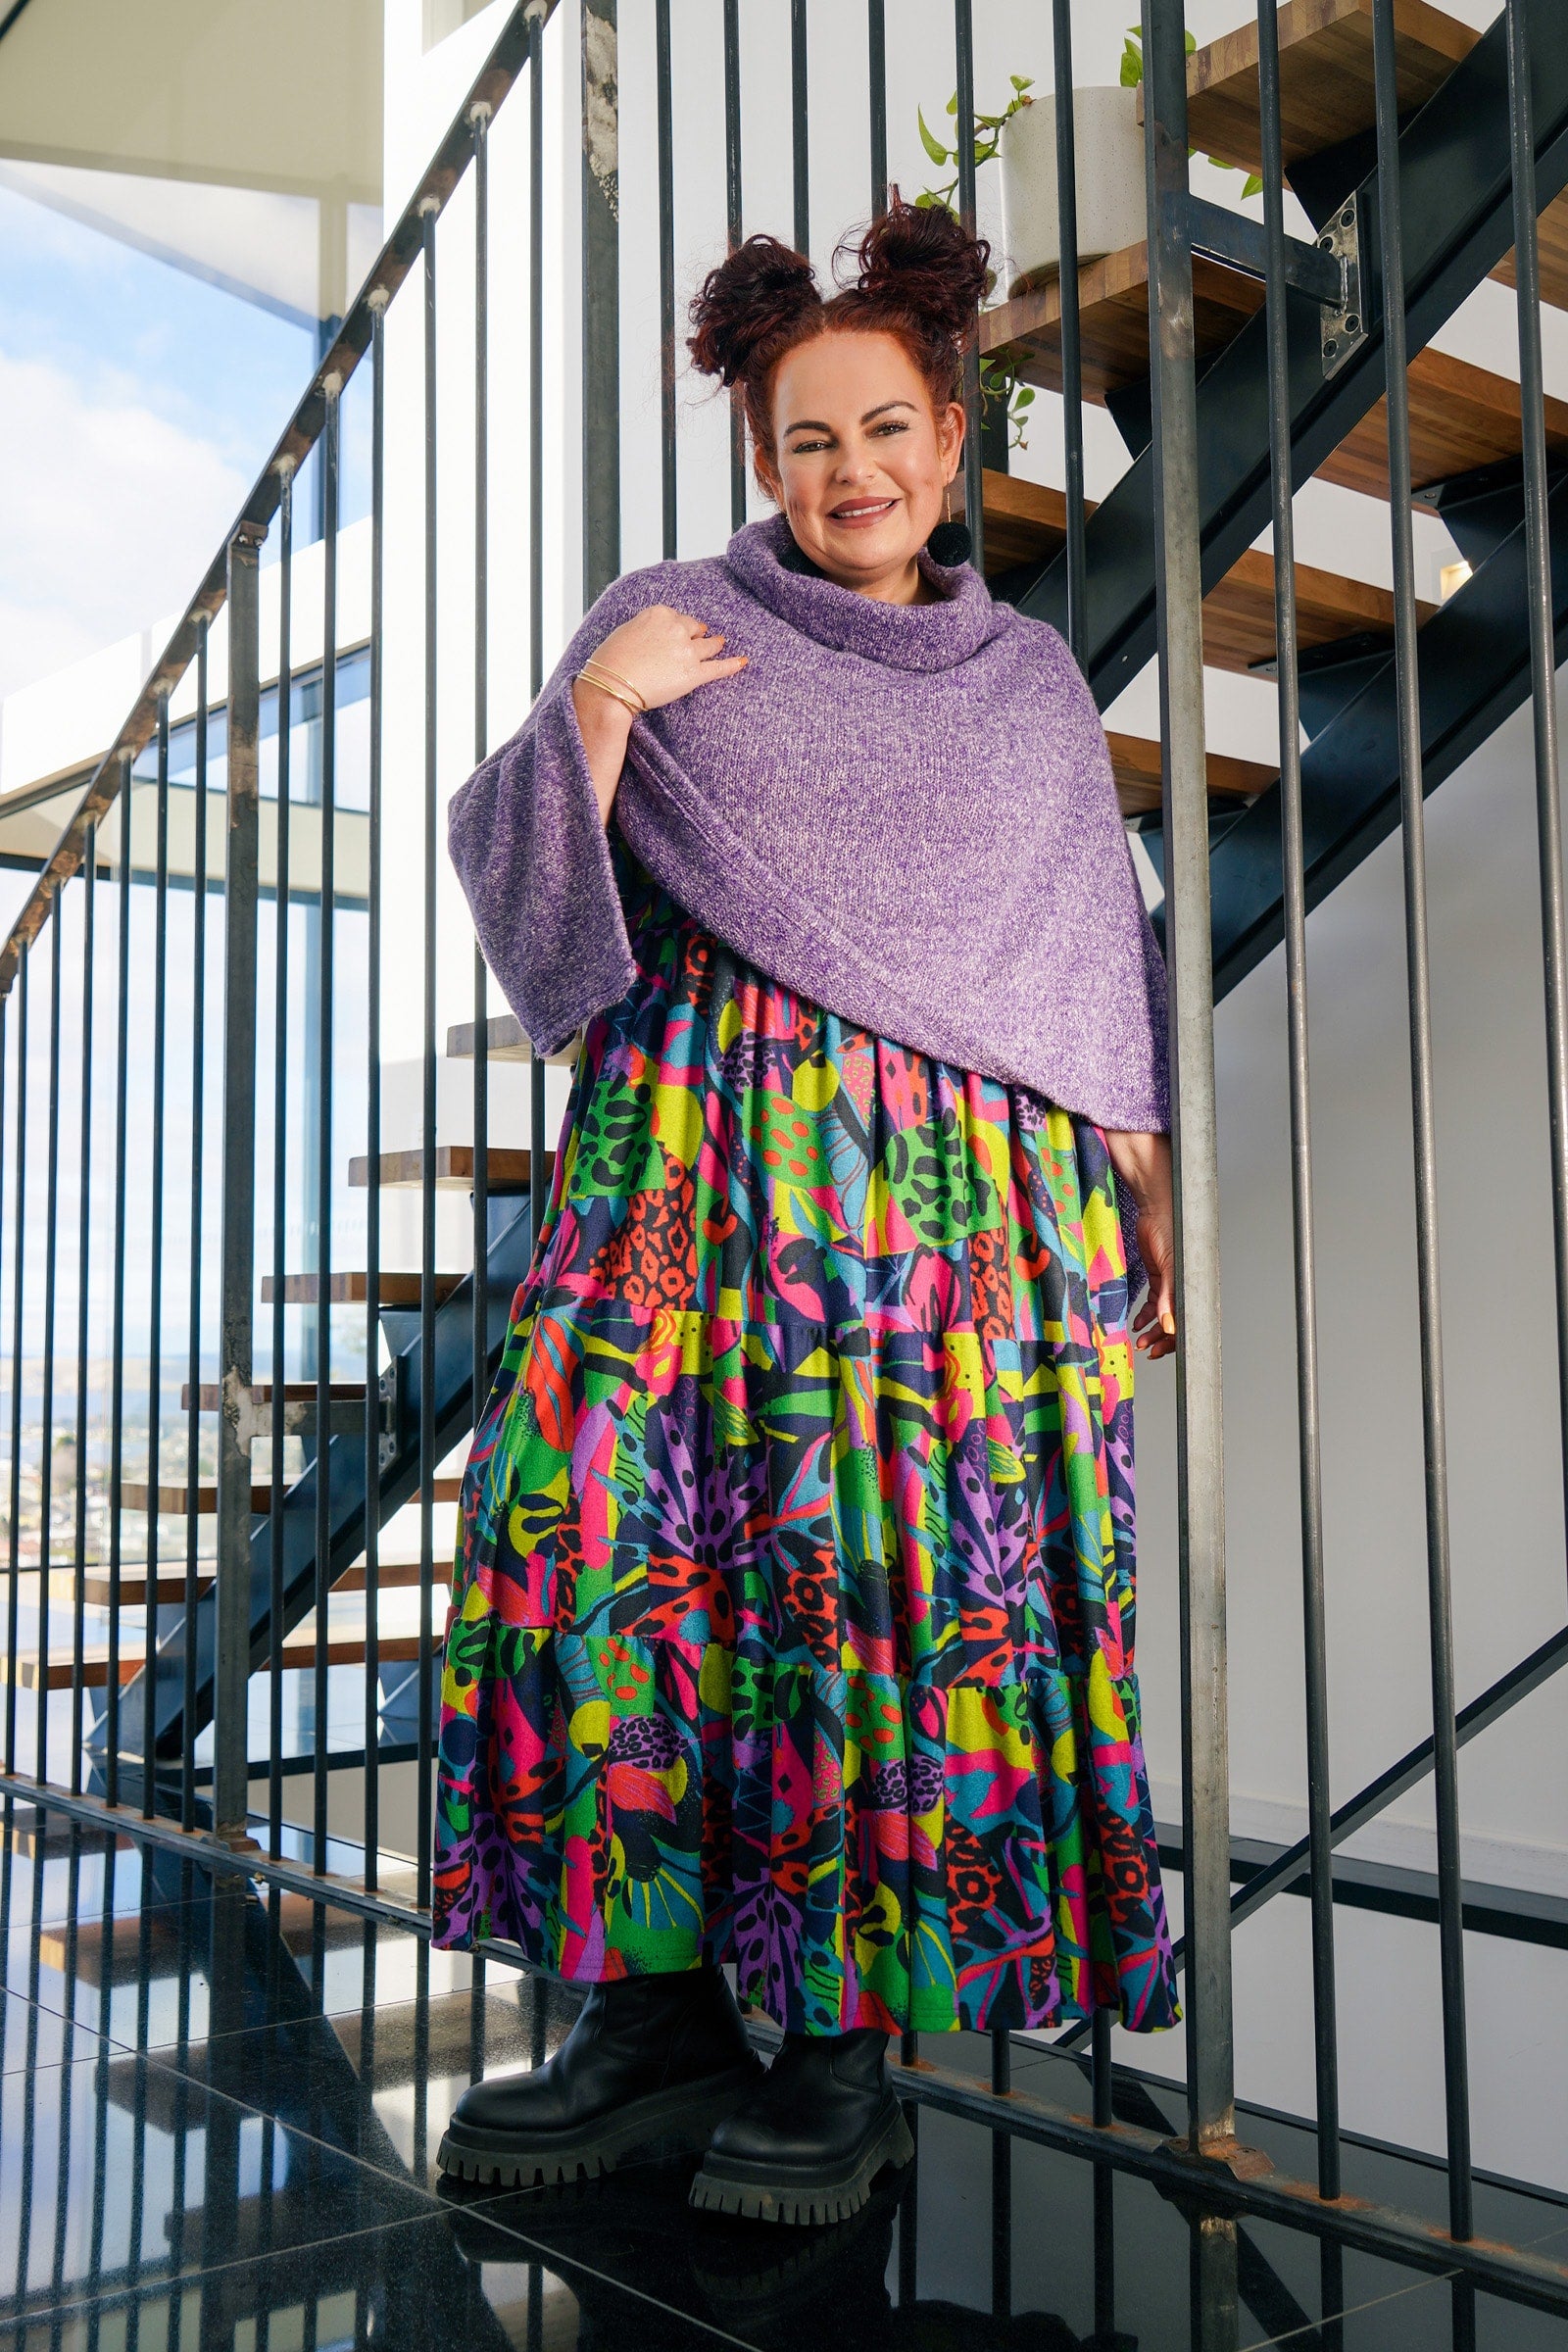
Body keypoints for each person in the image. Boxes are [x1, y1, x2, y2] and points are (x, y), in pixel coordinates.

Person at [432, 199, 1180, 2228]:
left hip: (945, 1211)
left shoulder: (1026, 676)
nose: (850, 473)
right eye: (805, 442)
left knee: (878, 1589)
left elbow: (1077, 938)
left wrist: (1140, 1170)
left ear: (950, 435)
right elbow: (531, 898)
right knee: (608, 1546)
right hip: (684, 1170)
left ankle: (846, 2046)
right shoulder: (671, 616)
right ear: (763, 459)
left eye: (885, 430)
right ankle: (650, 2015)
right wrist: (596, 709)